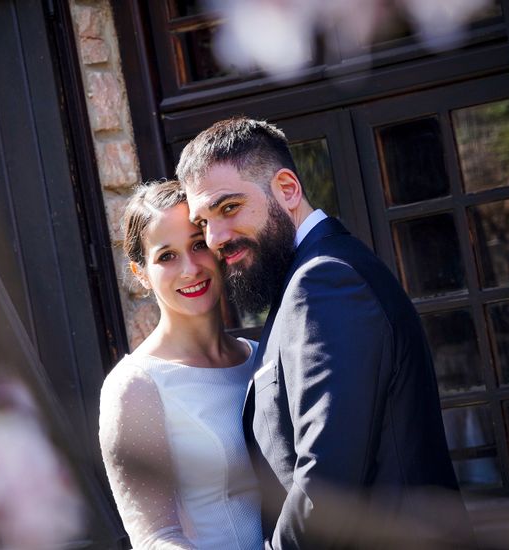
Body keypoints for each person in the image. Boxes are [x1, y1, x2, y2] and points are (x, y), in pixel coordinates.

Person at [177, 117, 466, 549]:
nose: (216, 237)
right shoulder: (308, 276)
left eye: (229, 207)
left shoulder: (325, 281)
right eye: (203, 223)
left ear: (287, 189)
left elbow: (327, 484)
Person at [99, 180, 263, 549]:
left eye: (198, 245)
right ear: (141, 274)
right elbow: (156, 538)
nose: (190, 268)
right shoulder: (136, 386)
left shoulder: (261, 357)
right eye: (167, 256)